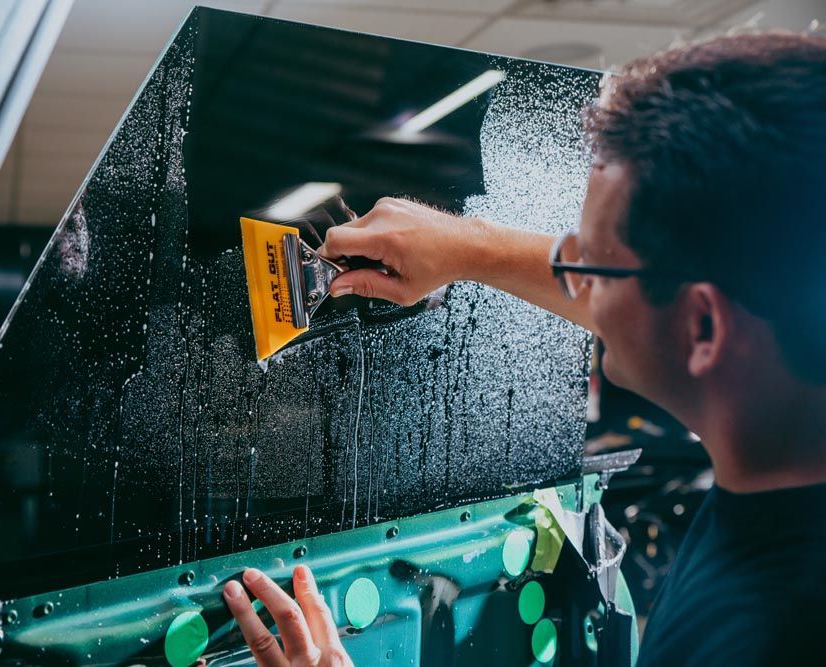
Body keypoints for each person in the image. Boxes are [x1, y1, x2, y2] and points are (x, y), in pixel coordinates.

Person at [221, 32, 826, 666]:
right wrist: (468, 248)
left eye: (589, 263)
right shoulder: (779, 449)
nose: (569, 277)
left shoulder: (763, 631)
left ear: (704, 330)